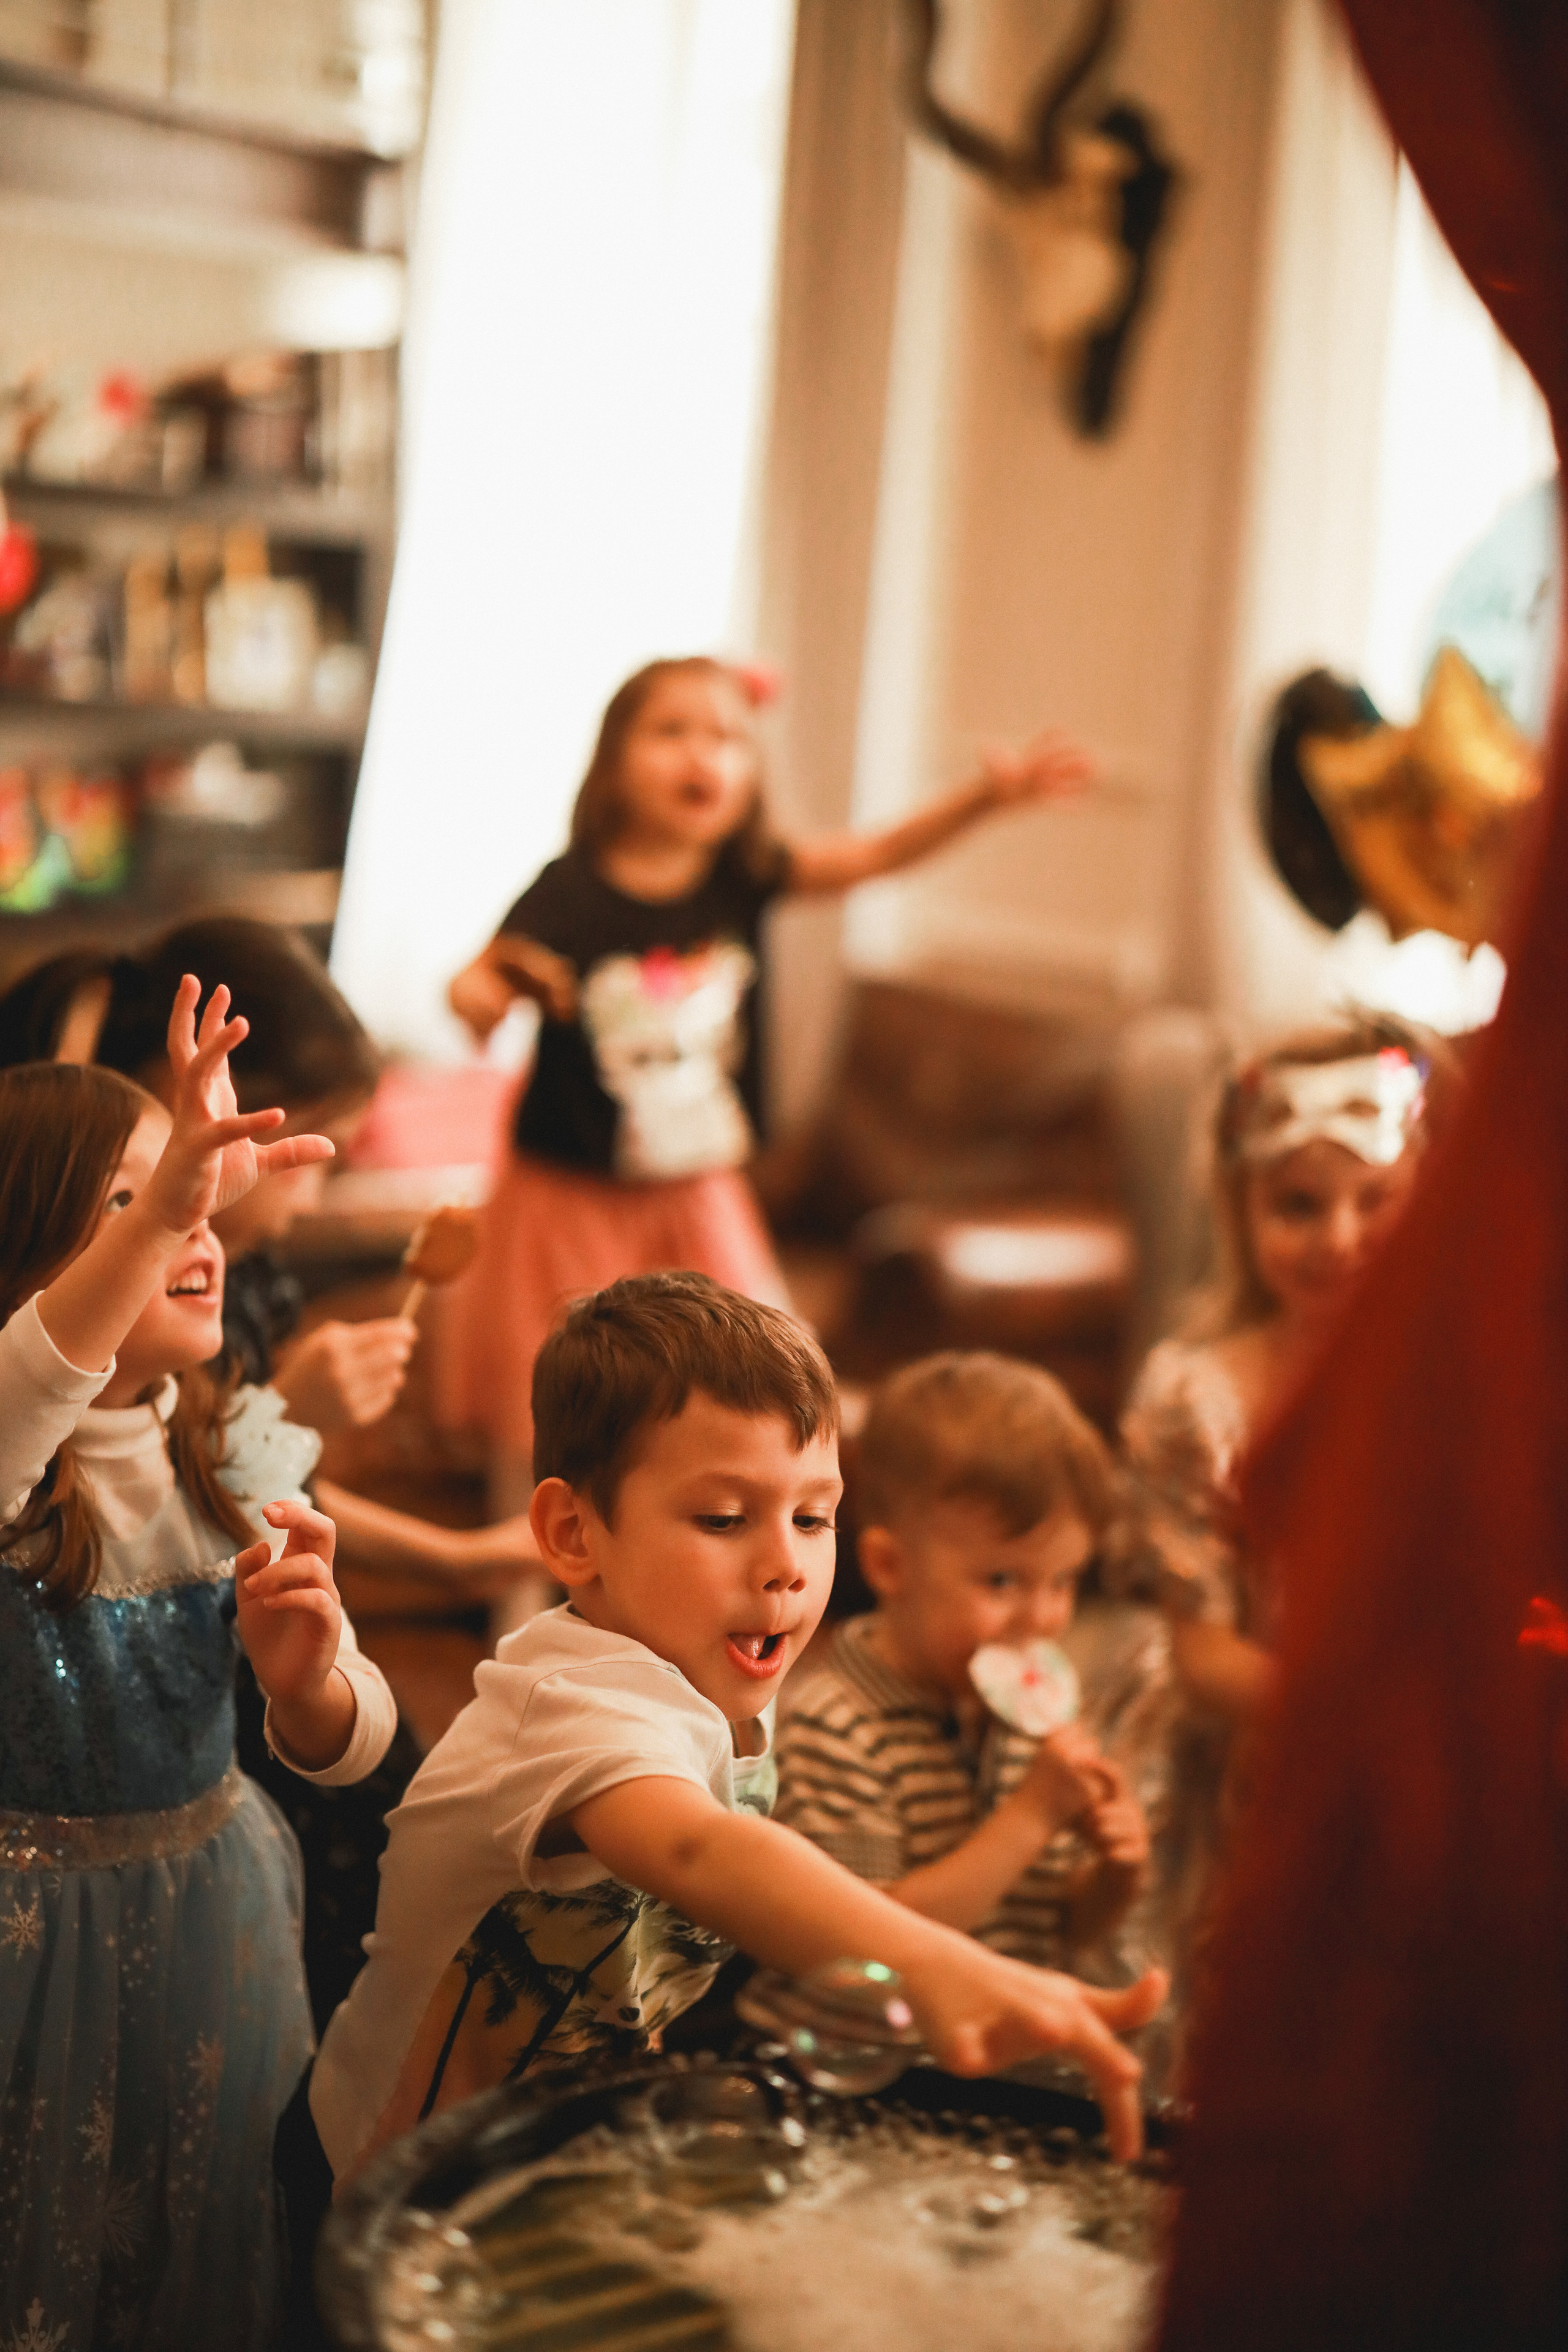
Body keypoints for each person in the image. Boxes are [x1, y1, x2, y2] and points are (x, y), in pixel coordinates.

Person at [310, 1273, 1166, 2190]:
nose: (786, 1567)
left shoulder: (719, 1692)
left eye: (813, 1517)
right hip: (396, 2170)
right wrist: (938, 1967)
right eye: (724, 1518)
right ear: (572, 1533)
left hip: (551, 2139)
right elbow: (692, 1850)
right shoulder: (571, 1705)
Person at [441, 655, 1095, 1514]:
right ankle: (516, 1579)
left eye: (727, 738)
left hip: (697, 1182)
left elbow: (875, 854)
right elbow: (476, 981)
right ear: (612, 763)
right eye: (671, 732)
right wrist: (489, 999)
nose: (701, 756)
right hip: (571, 1191)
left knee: (760, 1364)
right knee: (543, 1394)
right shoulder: (570, 893)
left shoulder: (739, 880)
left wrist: (984, 798)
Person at [0, 979, 395, 2348]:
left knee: (204, 2233)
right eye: (126, 1201)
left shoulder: (237, 1453)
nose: (193, 1222)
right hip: (29, 1953)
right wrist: (175, 1193)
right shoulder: (12, 1462)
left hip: (215, 1918)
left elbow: (353, 1734)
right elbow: (41, 1371)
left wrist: (308, 1687)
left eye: (190, 1197)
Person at [1113, 1012, 1443, 2048]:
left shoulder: (1475, 1386)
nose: (1338, 1237)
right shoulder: (1199, 1398)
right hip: (1261, 1772)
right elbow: (1204, 1655)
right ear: (1240, 1206)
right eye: (1298, 1205)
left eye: (1376, 1200)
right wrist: (1357, 1716)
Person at [774, 1351, 1150, 1977]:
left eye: (1062, 1582)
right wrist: (1029, 1816)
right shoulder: (832, 1726)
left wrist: (1116, 1873)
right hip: (878, 2059)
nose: (1041, 1619)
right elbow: (869, 1944)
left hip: (1006, 2040)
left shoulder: (1031, 1716)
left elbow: (1053, 1923)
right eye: (1002, 1581)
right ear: (890, 1567)